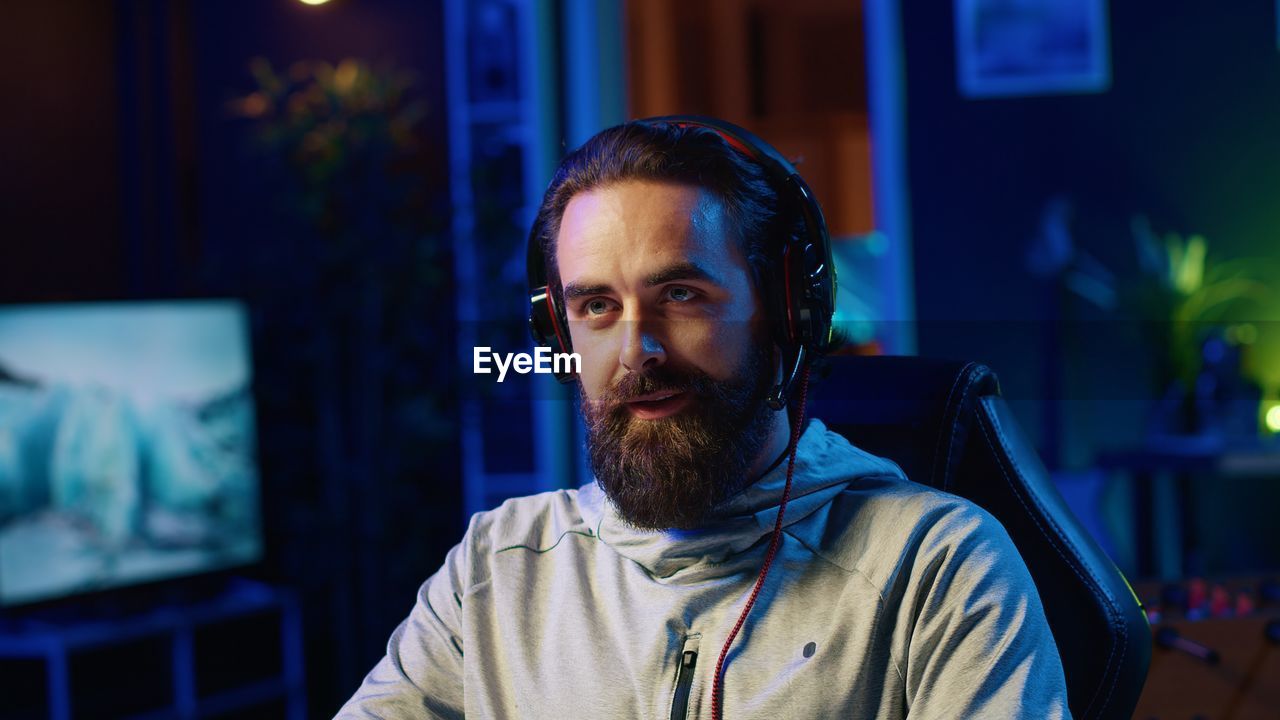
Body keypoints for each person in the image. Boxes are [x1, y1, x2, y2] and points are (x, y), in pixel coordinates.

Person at [336, 119, 1069, 719]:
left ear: (785, 312)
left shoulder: (935, 567)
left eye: (681, 295)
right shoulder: (496, 568)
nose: (636, 351)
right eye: (596, 307)